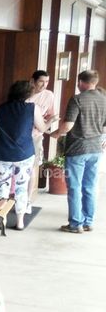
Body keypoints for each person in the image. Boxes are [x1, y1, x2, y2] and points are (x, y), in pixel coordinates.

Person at [0, 80, 45, 229]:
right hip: (24, 154)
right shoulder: (32, 108)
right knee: (21, 188)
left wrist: (1, 139)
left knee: (2, 187)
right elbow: (42, 128)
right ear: (28, 94)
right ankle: (20, 222)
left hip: (2, 153)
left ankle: (2, 219)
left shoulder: (0, 108)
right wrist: (50, 121)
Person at [56, 70, 106, 233]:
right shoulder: (104, 99)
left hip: (77, 149)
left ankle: (76, 224)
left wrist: (56, 133)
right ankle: (88, 222)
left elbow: (68, 125)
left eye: (78, 82)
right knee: (90, 186)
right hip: (96, 149)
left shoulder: (77, 99)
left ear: (81, 82)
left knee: (74, 187)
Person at [26, 69, 57, 201]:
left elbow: (51, 114)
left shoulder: (49, 95)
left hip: (36, 135)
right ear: (32, 81)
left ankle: (28, 200)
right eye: (41, 82)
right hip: (20, 135)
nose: (44, 85)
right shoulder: (24, 93)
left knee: (33, 167)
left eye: (47, 82)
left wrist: (45, 121)